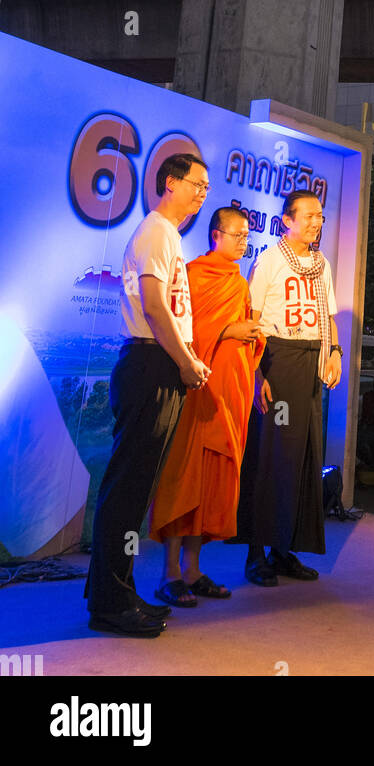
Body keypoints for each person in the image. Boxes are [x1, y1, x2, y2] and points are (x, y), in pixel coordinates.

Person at [85, 153, 211, 637]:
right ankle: (109, 602)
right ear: (169, 183)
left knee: (136, 490)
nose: (202, 193)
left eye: (206, 187)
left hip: (159, 364)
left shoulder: (169, 235)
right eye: (196, 184)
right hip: (149, 364)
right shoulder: (157, 230)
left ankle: (117, 590)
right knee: (127, 488)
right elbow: (156, 307)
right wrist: (185, 361)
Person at [149, 207, 266, 605]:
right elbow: (184, 331)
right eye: (237, 235)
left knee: (214, 481)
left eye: (247, 236)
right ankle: (169, 573)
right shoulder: (194, 275)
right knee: (185, 479)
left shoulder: (239, 283)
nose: (243, 242)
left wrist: (251, 336)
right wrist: (231, 330)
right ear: (216, 235)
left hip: (231, 396)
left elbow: (249, 332)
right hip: (198, 392)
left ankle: (194, 569)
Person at [236, 190, 342, 586]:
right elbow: (253, 319)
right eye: (310, 216)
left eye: (320, 216)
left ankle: (285, 549)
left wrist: (335, 351)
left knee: (303, 461)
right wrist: (257, 373)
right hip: (277, 361)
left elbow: (327, 315)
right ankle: (255, 553)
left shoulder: (321, 264)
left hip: (310, 364)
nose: (317, 222)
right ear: (287, 220)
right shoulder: (269, 260)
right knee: (270, 458)